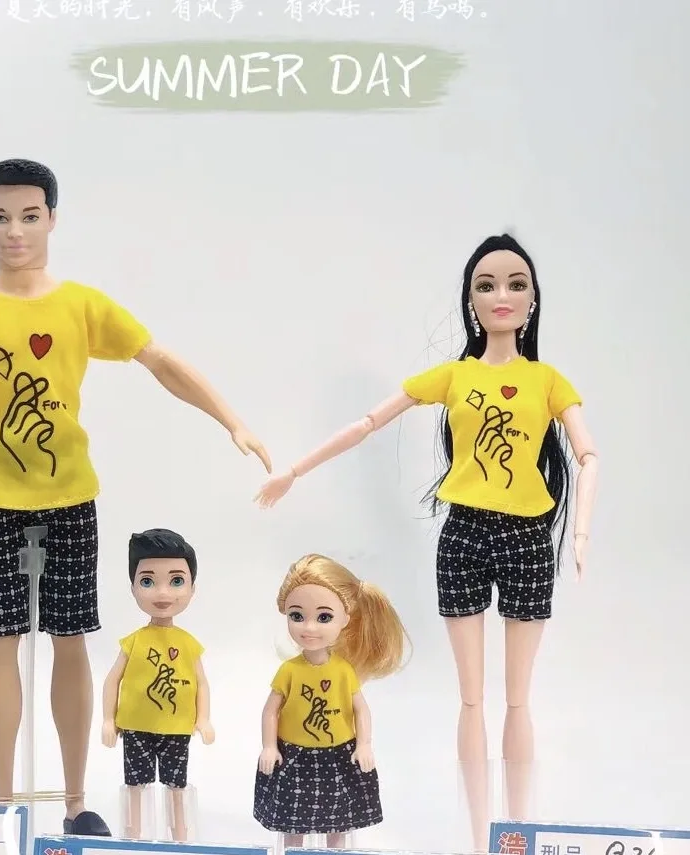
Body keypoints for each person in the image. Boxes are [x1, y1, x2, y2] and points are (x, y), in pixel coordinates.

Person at [0, 158, 270, 836]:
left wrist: (231, 419)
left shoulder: (81, 305)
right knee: (0, 642)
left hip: (70, 500)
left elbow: (159, 360)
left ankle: (73, 801)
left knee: (71, 641)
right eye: (0, 216)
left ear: (52, 219)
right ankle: (2, 802)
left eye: (29, 216)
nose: (15, 231)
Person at [253, 234, 599, 851]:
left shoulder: (547, 380)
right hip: (463, 532)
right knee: (471, 700)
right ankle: (477, 836)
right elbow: (367, 423)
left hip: (527, 536)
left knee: (518, 700)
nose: (501, 295)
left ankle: (517, 835)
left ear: (533, 299)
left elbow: (588, 453)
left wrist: (581, 526)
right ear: (470, 300)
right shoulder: (454, 376)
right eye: (486, 284)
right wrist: (295, 471)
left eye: (516, 283)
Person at [254, 553, 409, 847]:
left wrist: (364, 744)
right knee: (293, 823)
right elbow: (270, 711)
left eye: (324, 617)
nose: (309, 627)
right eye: (297, 616)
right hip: (294, 755)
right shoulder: (289, 671)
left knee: (339, 821)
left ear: (345, 619)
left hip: (338, 755)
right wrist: (269, 746)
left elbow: (360, 710)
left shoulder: (342, 671)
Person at [101, 528, 213, 841]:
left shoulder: (188, 644)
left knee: (177, 784)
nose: (162, 593)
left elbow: (202, 683)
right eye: (148, 581)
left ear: (192, 588)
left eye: (176, 581)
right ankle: (133, 833)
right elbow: (112, 679)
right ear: (133, 587)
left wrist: (204, 719)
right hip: (135, 726)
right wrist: (108, 719)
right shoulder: (134, 641)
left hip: (177, 727)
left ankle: (180, 835)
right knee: (135, 783)